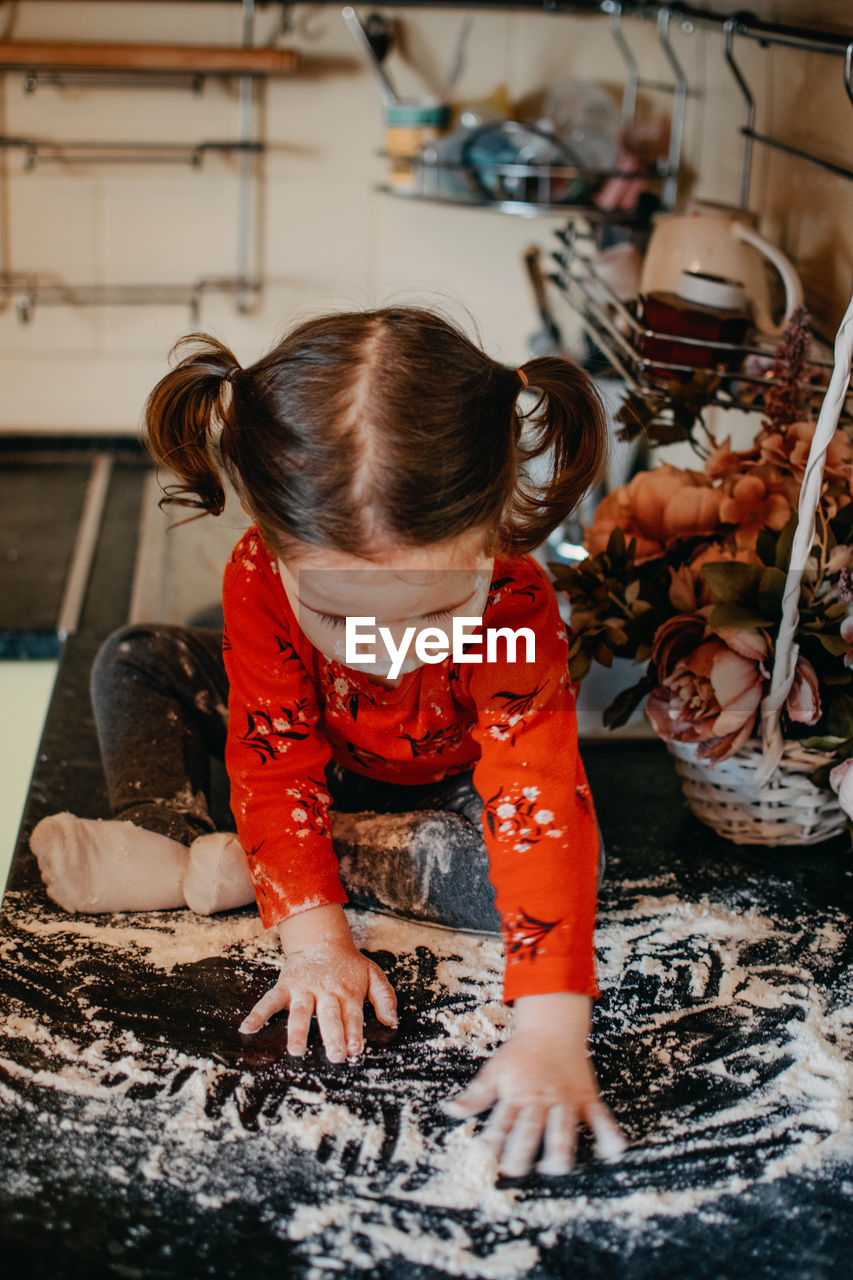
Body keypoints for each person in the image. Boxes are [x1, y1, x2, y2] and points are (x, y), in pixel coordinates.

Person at [31, 305, 626, 1179]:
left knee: (571, 864)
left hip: (436, 796)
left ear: (490, 532)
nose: (385, 651)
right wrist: (316, 946)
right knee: (138, 659)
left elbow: (532, 802)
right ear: (274, 552)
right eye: (339, 617)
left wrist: (548, 1031)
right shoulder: (256, 577)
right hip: (303, 766)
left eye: (431, 613)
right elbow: (273, 757)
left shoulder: (512, 608)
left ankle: (230, 861)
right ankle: (171, 836)